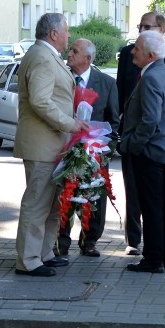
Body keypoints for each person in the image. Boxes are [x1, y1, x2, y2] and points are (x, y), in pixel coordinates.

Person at [13, 13, 88, 277]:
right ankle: (29, 260)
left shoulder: (46, 55)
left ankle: (44, 253)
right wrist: (70, 123)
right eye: (66, 32)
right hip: (41, 144)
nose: (68, 36)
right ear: (54, 33)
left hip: (52, 144)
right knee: (37, 203)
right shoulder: (41, 57)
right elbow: (41, 101)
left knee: (52, 203)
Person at [116, 12, 165, 255]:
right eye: (140, 27)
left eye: (147, 27)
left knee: (155, 203)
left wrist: (134, 144)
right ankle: (161, 252)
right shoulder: (159, 69)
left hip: (153, 147)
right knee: (152, 199)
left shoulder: (164, 67)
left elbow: (154, 117)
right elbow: (122, 97)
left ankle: (155, 256)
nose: (132, 51)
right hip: (160, 145)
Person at [54, 38, 119, 259]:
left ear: (88, 58)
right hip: (64, 150)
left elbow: (114, 121)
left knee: (94, 196)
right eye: (70, 50)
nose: (69, 54)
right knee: (64, 195)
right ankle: (60, 242)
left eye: (75, 51)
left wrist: (104, 148)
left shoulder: (107, 83)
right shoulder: (61, 79)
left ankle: (89, 241)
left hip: (94, 153)